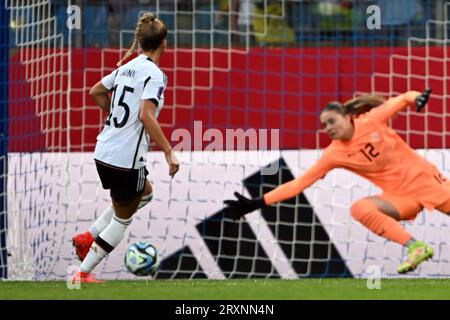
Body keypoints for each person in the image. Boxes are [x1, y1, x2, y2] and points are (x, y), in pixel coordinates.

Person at [223, 88, 449, 274]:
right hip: (399, 197)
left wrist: (415, 97)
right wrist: (257, 203)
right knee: (360, 209)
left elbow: (401, 99)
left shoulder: (371, 121)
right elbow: (297, 184)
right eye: (324, 125)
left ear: (347, 116)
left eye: (332, 121)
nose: (328, 128)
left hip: (427, 183)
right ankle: (416, 247)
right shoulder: (334, 154)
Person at [71, 12, 179, 283]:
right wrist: (168, 151)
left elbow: (96, 91)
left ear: (140, 43)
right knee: (122, 219)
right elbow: (146, 115)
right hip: (125, 160)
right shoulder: (155, 75)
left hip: (103, 151)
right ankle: (82, 273)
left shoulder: (127, 67)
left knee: (145, 194)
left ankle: (88, 236)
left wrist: (115, 120)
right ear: (164, 43)